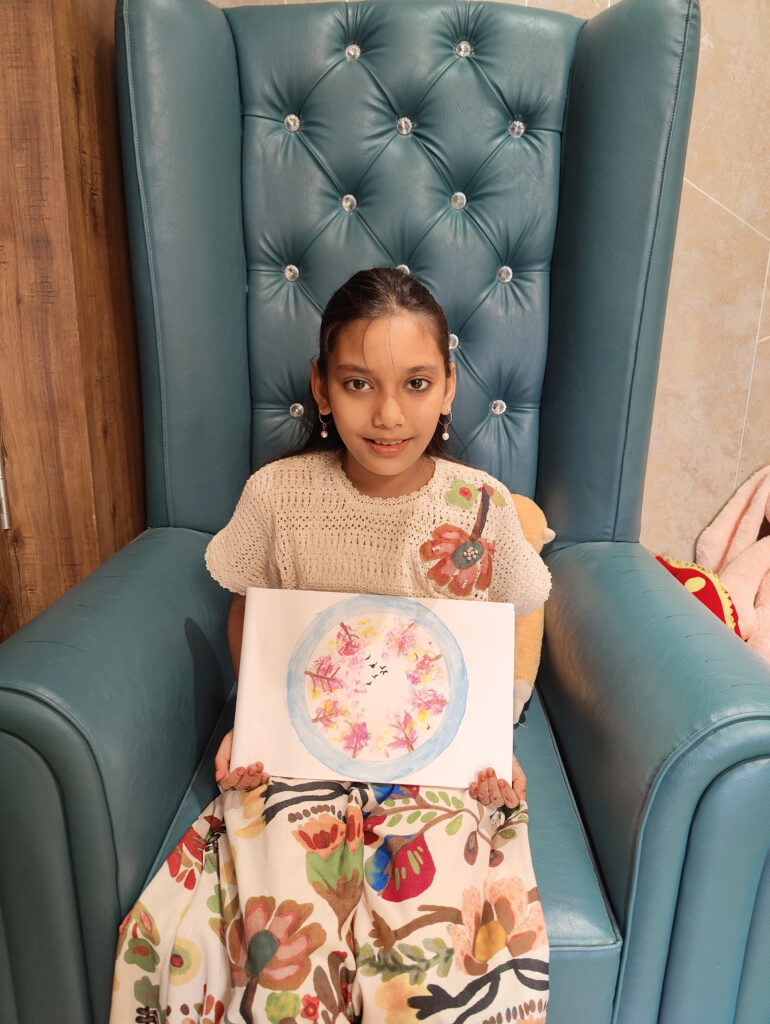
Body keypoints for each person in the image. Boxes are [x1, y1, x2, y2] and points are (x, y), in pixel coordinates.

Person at [110, 267, 551, 1024]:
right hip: (302, 760)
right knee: (282, 939)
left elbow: (511, 618)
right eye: (357, 384)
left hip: (438, 773)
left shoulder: (481, 507)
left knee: (430, 953)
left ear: (450, 387)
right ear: (321, 386)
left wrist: (493, 739)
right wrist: (252, 723)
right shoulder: (278, 496)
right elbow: (250, 613)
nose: (388, 414)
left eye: (417, 384)